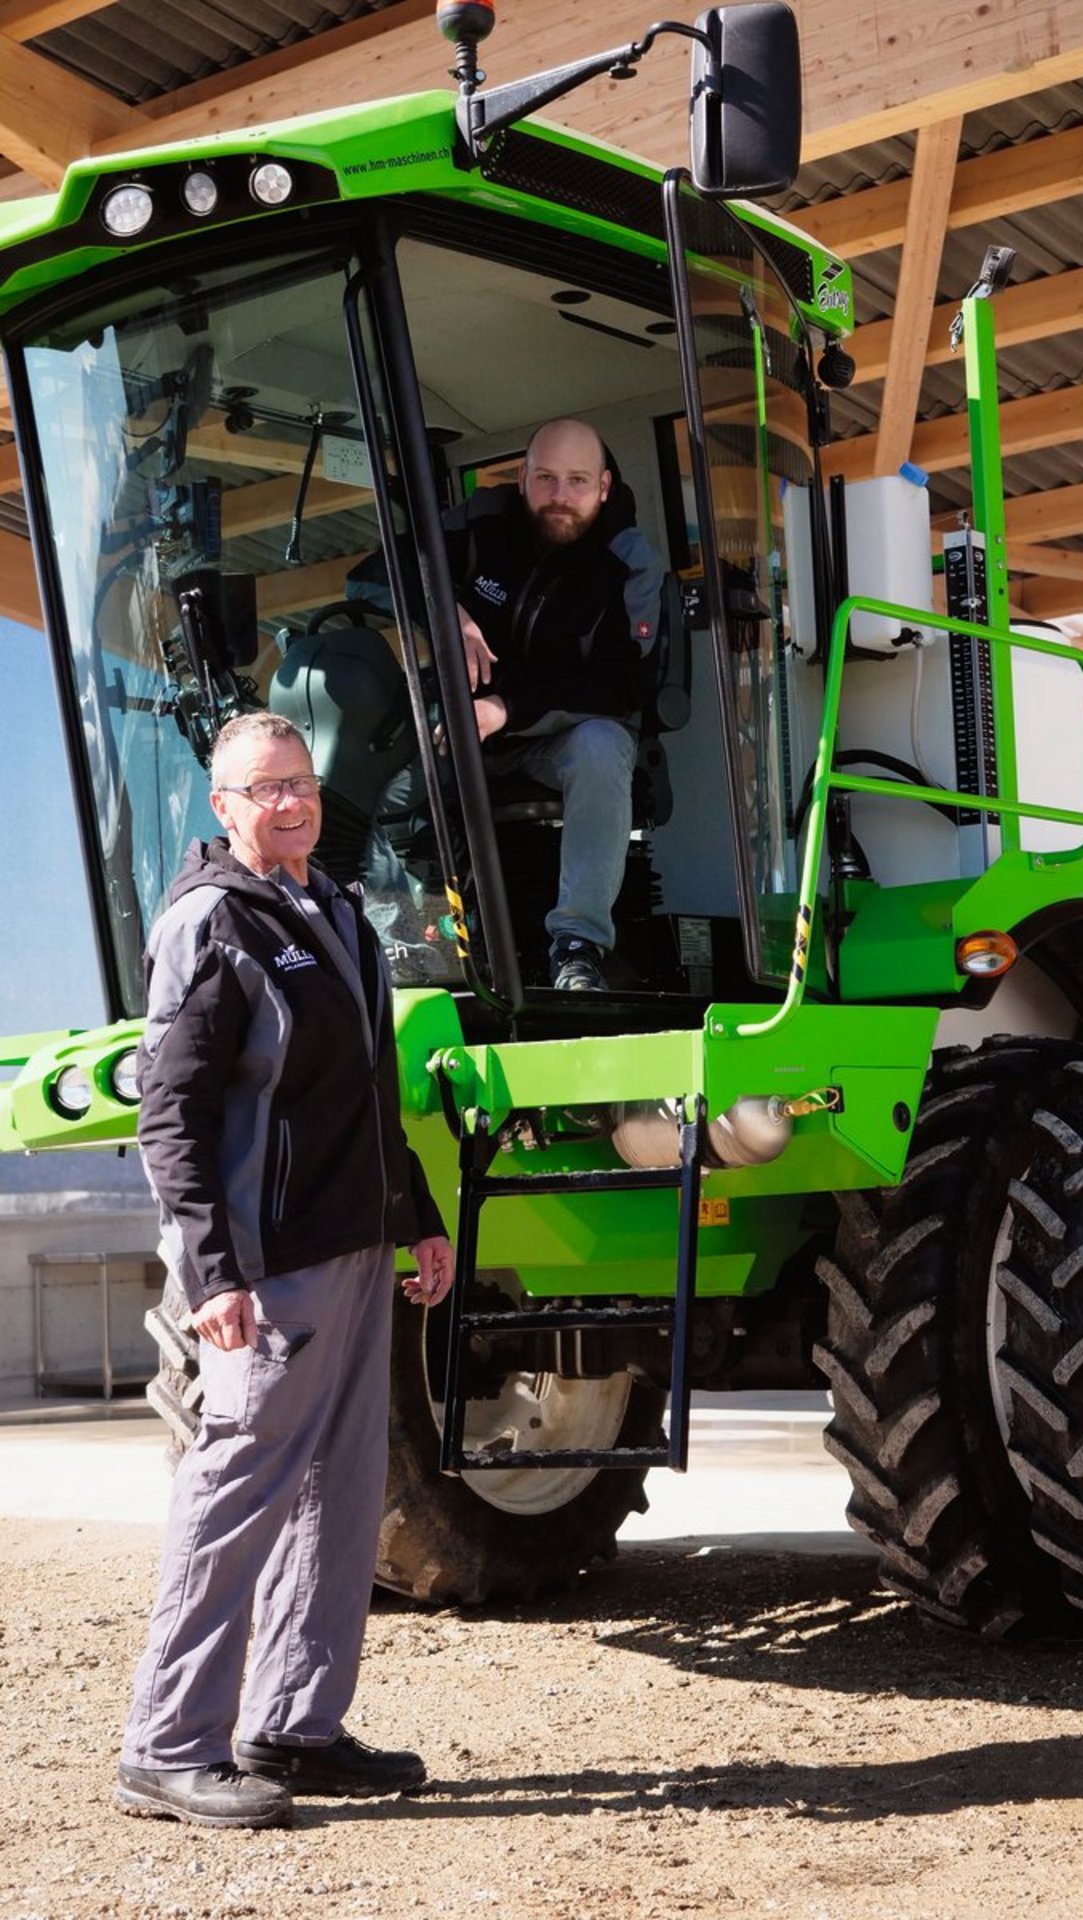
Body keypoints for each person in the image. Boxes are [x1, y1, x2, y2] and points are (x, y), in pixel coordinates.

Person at [116, 710, 454, 1831]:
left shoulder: (337, 912)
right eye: (264, 790)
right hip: (267, 1272)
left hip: (355, 1250)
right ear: (222, 806)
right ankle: (168, 1745)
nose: (290, 804)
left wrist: (421, 1221)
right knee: (235, 1496)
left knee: (341, 1499)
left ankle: (294, 1728)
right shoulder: (213, 923)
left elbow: (367, 1091)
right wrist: (210, 1271)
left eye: (301, 783)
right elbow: (171, 1113)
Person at [445, 417, 664, 992]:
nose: (559, 497)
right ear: (522, 478)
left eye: (576, 481)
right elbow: (377, 574)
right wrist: (444, 610)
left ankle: (578, 946)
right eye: (546, 479)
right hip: (458, 735)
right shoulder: (483, 520)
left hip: (551, 739)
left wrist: (505, 709)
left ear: (605, 486)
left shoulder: (629, 562)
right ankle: (388, 929)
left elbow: (623, 688)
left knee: (602, 744)